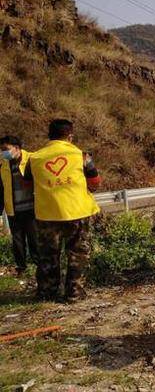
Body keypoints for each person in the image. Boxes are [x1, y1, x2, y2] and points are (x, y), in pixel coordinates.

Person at [23, 119, 102, 302]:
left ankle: (47, 292)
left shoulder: (34, 158)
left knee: (48, 255)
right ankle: (74, 292)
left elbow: (27, 185)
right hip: (78, 212)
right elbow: (95, 182)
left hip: (47, 214)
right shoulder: (82, 156)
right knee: (78, 253)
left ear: (49, 136)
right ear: (70, 136)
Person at [0, 136, 38, 275]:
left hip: (32, 208)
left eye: (6, 149)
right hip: (14, 210)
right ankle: (21, 268)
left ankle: (38, 266)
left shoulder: (32, 159)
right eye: (1, 150)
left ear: (17, 148)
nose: (3, 153)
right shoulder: (3, 166)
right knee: (17, 242)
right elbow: (1, 189)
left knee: (34, 239)